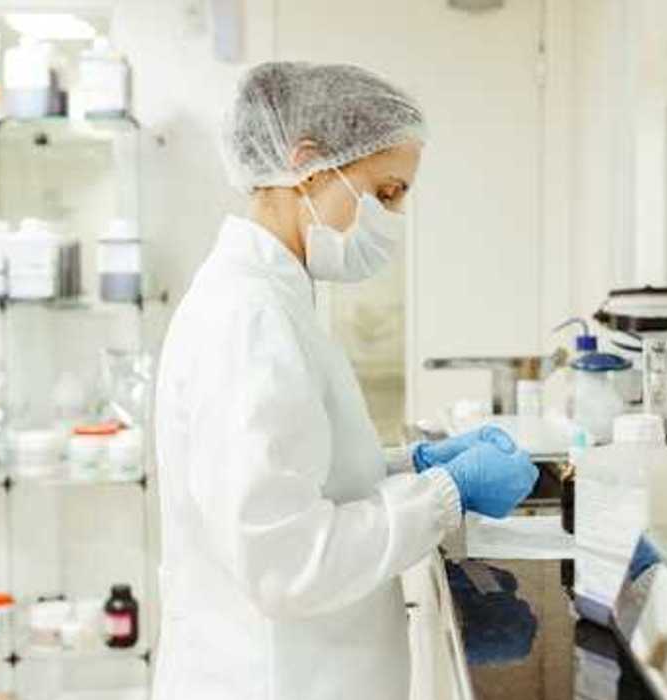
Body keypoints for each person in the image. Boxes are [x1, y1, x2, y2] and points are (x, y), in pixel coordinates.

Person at [153, 61, 539, 700]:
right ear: (307, 164)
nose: (395, 216)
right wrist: (445, 492)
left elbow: (291, 472)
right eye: (386, 192)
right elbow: (286, 563)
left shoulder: (271, 297)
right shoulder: (248, 316)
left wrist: (405, 465)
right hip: (272, 678)